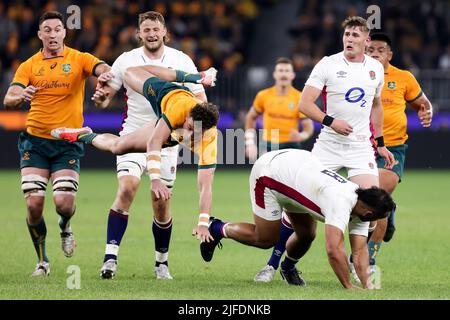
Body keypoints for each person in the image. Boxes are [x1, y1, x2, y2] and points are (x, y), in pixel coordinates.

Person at [89, 11, 208, 280]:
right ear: (139, 33)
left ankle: (161, 263)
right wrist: (100, 98)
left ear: (165, 32)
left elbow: (201, 98)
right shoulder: (126, 60)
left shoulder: (181, 59)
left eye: (156, 29)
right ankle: (110, 258)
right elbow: (106, 97)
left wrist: (195, 127)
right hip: (135, 130)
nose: (152, 34)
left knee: (161, 203)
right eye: (146, 30)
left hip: (168, 139)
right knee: (128, 187)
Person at [52, 64, 220, 246]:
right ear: (187, 117)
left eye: (198, 132)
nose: (192, 134)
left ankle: (83, 135)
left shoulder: (209, 139)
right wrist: (155, 179)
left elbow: (205, 186)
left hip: (172, 133)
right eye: (190, 127)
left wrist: (203, 223)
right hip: (166, 99)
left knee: (120, 146)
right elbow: (153, 142)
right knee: (129, 73)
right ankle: (193, 76)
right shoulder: (180, 107)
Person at [3, 11, 110, 276]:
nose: (52, 34)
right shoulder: (29, 65)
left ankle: (65, 226)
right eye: (47, 30)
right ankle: (42, 261)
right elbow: (9, 97)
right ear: (40, 34)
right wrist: (21, 95)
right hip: (35, 141)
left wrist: (105, 80)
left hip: (67, 142)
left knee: (63, 202)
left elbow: (103, 68)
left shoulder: (79, 59)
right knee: (33, 205)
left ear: (65, 32)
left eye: (57, 29)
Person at [199, 149, 395, 289]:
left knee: (307, 235)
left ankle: (287, 268)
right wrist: (348, 286)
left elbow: (359, 251)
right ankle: (217, 228)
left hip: (296, 172)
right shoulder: (341, 202)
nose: (375, 224)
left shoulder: (363, 205)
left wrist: (369, 286)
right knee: (266, 239)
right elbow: (334, 250)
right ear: (370, 214)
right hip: (269, 174)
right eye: (378, 219)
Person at [352, 32, 433, 274]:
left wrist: (426, 111)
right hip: (360, 147)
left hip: (393, 148)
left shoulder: (403, 77)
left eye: (380, 50)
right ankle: (385, 215)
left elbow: (423, 103)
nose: (375, 53)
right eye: (370, 50)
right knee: (361, 202)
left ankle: (370, 260)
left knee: (377, 197)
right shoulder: (355, 75)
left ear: (389, 54)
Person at [244, 57, 314, 282]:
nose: (283, 74)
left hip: (293, 152)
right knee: (276, 210)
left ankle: (272, 266)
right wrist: (249, 142)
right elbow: (251, 117)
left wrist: (301, 135)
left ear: (292, 75)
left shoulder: (298, 97)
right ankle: (276, 265)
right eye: (280, 70)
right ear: (275, 74)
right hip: (269, 151)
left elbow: (308, 127)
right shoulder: (264, 95)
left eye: (287, 70)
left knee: (289, 210)